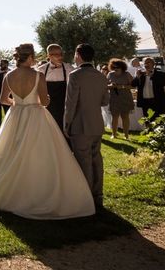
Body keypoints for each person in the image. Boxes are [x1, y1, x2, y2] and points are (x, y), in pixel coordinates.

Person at [0, 43, 95, 219]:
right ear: (31, 57)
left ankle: (11, 187)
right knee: (39, 152)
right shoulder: (38, 75)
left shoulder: (9, 75)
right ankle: (37, 189)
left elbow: (3, 99)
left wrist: (18, 103)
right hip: (35, 115)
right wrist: (39, 101)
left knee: (10, 149)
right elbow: (45, 102)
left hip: (16, 115)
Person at [64, 43, 110, 212]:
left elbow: (70, 104)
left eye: (76, 54)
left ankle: (86, 197)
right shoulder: (101, 75)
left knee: (83, 160)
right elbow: (105, 101)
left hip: (80, 124)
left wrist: (66, 124)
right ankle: (98, 196)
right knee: (96, 159)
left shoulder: (75, 75)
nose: (75, 57)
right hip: (97, 122)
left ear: (79, 55)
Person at [37, 44, 74, 131]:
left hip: (64, 109)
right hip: (47, 109)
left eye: (61, 54)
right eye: (57, 55)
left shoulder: (69, 69)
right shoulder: (41, 70)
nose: (60, 57)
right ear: (49, 56)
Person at [107, 59, 135, 140]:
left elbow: (133, 86)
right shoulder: (110, 74)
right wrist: (111, 85)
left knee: (125, 117)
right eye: (114, 66)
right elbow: (106, 85)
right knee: (114, 117)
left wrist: (122, 86)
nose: (115, 68)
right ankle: (114, 134)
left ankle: (126, 135)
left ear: (122, 67)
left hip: (125, 98)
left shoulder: (127, 74)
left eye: (117, 67)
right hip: (114, 99)